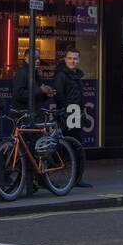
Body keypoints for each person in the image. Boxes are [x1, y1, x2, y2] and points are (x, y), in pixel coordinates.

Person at [52, 47, 90, 187]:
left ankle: (77, 178)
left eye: (75, 59)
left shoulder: (76, 75)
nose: (72, 61)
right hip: (69, 113)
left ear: (78, 60)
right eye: (70, 58)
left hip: (76, 112)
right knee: (74, 146)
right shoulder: (61, 75)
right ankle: (75, 179)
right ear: (65, 59)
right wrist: (67, 110)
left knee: (76, 146)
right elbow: (58, 96)